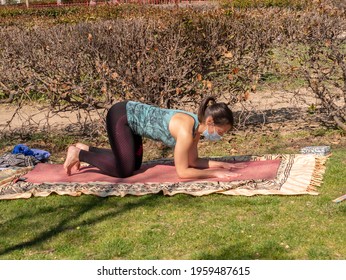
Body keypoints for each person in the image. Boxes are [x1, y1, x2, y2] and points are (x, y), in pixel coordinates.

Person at [63, 96, 244, 179]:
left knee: (133, 165)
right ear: (210, 121)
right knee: (124, 171)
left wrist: (219, 164)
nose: (220, 136)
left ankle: (88, 149)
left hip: (132, 122)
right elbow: (182, 172)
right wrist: (214, 174)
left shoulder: (196, 127)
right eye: (220, 132)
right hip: (121, 117)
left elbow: (194, 161)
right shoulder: (185, 132)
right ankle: (79, 154)